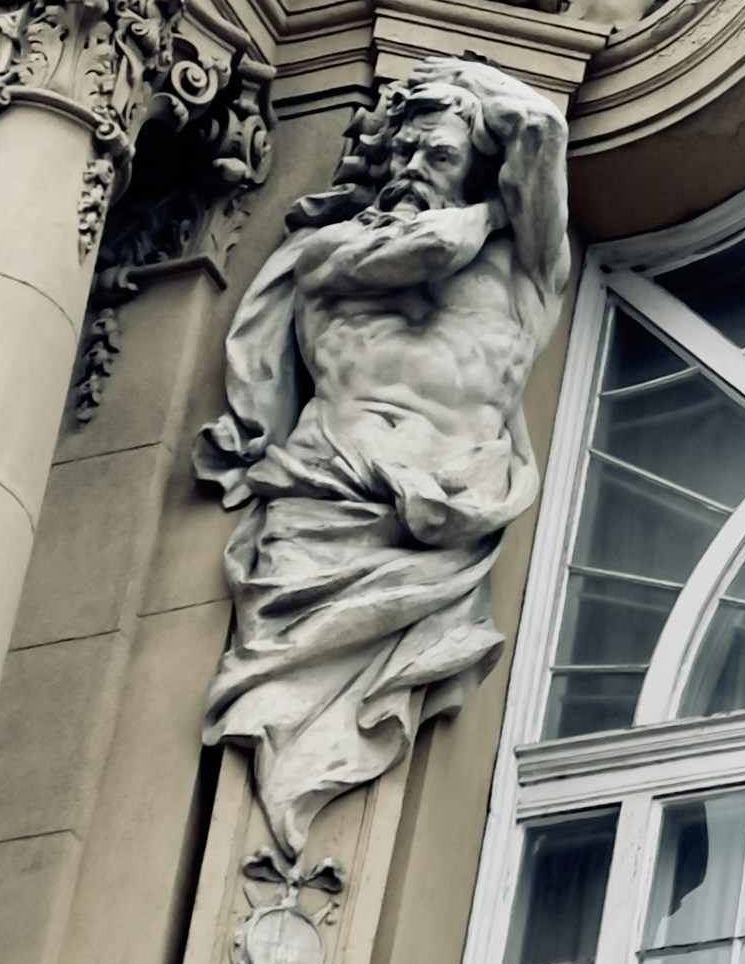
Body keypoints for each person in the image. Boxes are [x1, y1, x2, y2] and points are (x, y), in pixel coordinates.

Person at [196, 59, 572, 867]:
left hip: (443, 518)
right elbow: (429, 249)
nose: (409, 172)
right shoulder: (331, 250)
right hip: (325, 499)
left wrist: (464, 76)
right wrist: (492, 205)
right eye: (400, 155)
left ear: (479, 162)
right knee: (274, 719)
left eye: (434, 155)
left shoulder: (532, 274)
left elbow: (541, 129)